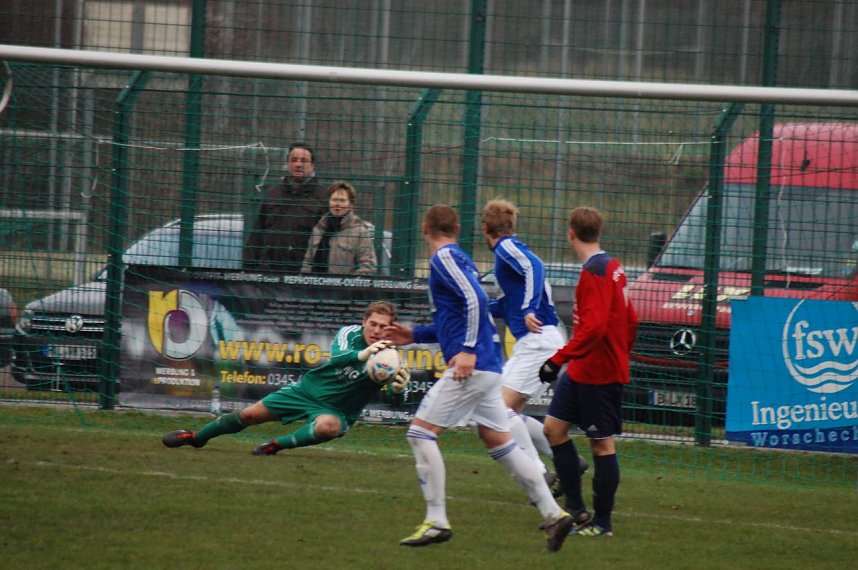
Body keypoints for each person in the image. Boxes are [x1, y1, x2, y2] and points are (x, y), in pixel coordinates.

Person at [383, 204, 575, 553]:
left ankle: (436, 520)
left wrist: (469, 349)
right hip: (488, 366)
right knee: (498, 440)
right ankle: (553, 513)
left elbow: (474, 301)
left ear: (425, 227)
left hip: (472, 366)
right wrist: (415, 335)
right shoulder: (460, 259)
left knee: (420, 434)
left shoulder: (444, 259)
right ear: (457, 227)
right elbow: (458, 317)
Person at [161, 301, 409, 455]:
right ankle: (196, 438)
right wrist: (362, 354)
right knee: (248, 415)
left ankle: (276, 445)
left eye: (382, 326)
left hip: (336, 411)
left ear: (390, 328)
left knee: (327, 428)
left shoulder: (391, 359)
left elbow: (394, 401)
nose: (376, 331)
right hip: (305, 392)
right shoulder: (350, 334)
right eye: (373, 324)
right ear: (364, 321)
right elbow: (337, 357)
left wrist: (398, 390)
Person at [539, 206, 638, 538]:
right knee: (553, 429)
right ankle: (577, 511)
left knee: (601, 445)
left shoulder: (597, 272)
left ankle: (603, 523)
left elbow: (593, 329)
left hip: (599, 372)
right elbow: (631, 318)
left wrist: (557, 359)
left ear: (571, 233)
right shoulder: (612, 267)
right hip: (583, 369)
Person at [480, 198, 570, 492]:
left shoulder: (505, 247)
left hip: (538, 342)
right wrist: (476, 307)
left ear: (485, 227)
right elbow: (507, 306)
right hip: (543, 341)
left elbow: (535, 266)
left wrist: (530, 307)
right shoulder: (509, 252)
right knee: (511, 414)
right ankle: (569, 463)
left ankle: (539, 472)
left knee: (497, 410)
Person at [244, 142, 328, 272]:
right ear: (288, 164)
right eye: (293, 160)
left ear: (312, 165)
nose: (298, 164)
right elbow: (257, 235)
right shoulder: (273, 193)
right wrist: (248, 270)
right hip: (269, 273)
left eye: (304, 160)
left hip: (304, 277)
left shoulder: (323, 198)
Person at [301, 181, 377, 275]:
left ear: (351, 205)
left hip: (345, 288)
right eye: (334, 200)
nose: (337, 204)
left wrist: (349, 284)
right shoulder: (319, 228)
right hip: (315, 287)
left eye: (342, 200)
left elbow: (368, 266)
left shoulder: (360, 231)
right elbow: (308, 262)